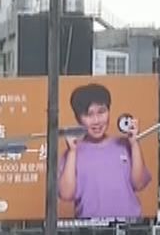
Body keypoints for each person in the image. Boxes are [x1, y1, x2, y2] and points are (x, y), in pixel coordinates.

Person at [58, 82, 152, 220]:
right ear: (78, 118)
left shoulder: (125, 145)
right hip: (91, 231)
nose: (96, 121)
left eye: (102, 112)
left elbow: (139, 184)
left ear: (109, 111)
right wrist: (72, 151)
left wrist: (134, 143)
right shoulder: (72, 153)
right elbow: (66, 194)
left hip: (130, 227)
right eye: (89, 115)